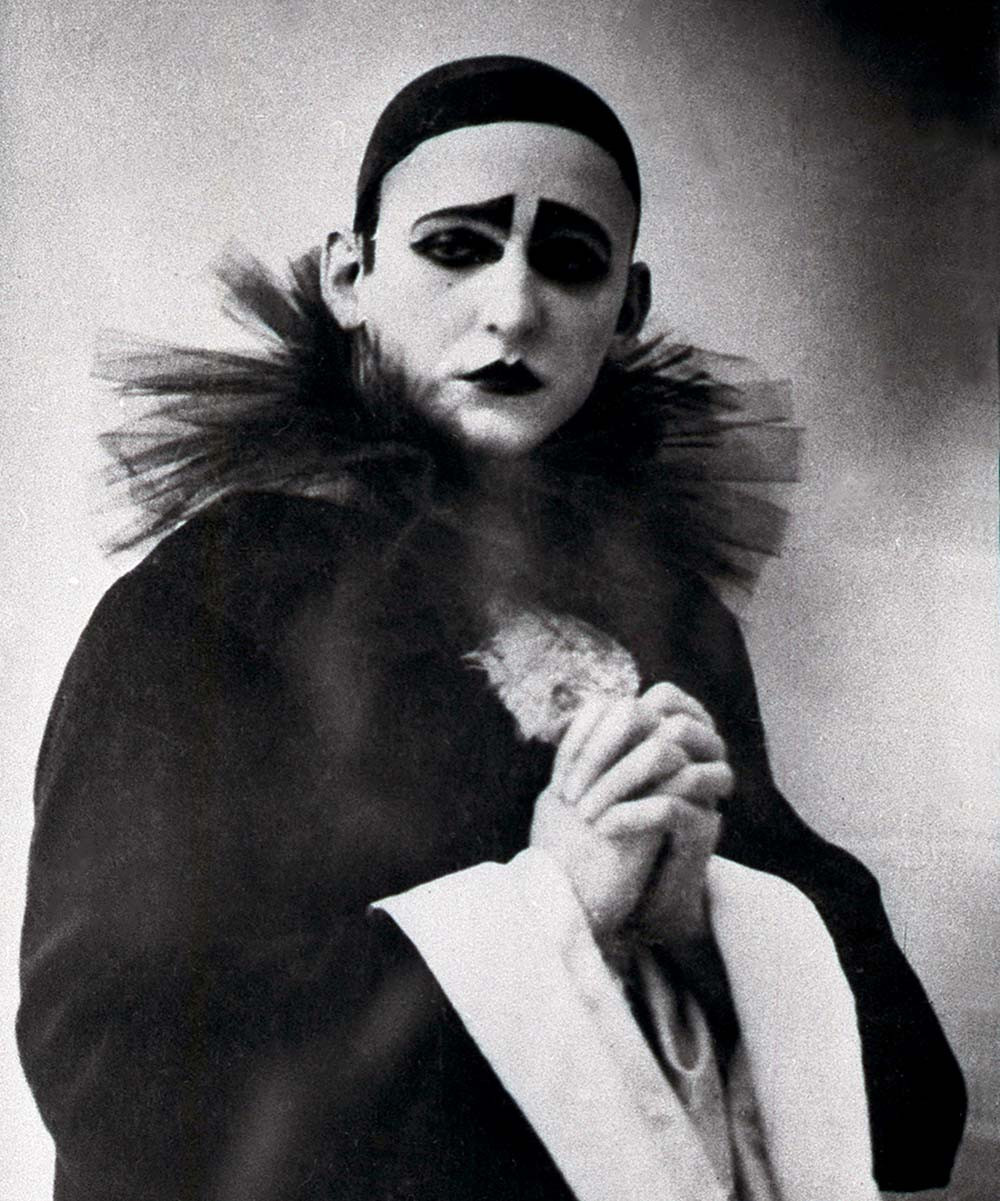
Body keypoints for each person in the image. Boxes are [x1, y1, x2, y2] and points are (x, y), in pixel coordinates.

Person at [18, 56, 965, 1201]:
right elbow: (117, 1080)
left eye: (568, 261)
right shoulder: (211, 599)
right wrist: (547, 910)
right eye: (456, 248)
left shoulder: (672, 627)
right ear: (350, 274)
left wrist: (700, 921)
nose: (513, 309)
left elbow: (912, 1110)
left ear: (627, 309)